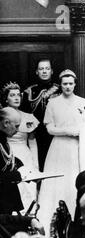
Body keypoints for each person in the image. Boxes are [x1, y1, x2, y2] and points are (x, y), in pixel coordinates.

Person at [37, 69, 85, 233]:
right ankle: (53, 220)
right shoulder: (53, 103)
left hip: (77, 149)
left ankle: (75, 218)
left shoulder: (83, 102)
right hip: (59, 148)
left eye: (71, 84)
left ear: (75, 84)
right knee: (58, 180)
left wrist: (81, 132)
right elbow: (49, 128)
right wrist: (67, 131)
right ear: (60, 85)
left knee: (73, 179)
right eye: (65, 84)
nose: (68, 87)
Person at [2, 82, 39, 214]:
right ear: (6, 98)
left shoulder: (28, 117)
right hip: (6, 154)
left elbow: (32, 141)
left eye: (18, 95)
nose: (17, 98)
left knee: (28, 188)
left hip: (25, 154)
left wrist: (35, 164)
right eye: (12, 95)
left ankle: (29, 217)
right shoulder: (2, 118)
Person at [21, 59, 60, 171]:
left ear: (51, 71)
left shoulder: (59, 89)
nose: (44, 71)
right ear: (36, 72)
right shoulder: (30, 91)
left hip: (54, 131)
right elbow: (25, 113)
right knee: (38, 161)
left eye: (47, 69)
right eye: (41, 69)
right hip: (36, 132)